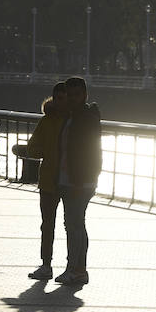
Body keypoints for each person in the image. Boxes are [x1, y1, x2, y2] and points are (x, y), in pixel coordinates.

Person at [12, 82, 68, 280]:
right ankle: (47, 264)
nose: (61, 102)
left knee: (72, 224)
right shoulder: (48, 120)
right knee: (48, 224)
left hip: (69, 179)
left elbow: (34, 149)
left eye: (64, 98)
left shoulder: (75, 120)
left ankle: (71, 267)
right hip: (50, 179)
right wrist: (46, 151)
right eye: (58, 98)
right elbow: (34, 147)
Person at [54, 76, 102, 285]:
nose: (72, 99)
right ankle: (74, 267)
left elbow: (87, 152)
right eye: (68, 95)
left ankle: (77, 269)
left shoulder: (85, 118)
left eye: (76, 95)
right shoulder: (72, 116)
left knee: (75, 225)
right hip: (69, 178)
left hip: (79, 181)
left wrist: (79, 181)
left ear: (84, 95)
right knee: (73, 224)